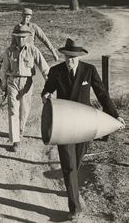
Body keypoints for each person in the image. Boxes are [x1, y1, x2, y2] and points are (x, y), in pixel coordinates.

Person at [41, 38, 125, 221]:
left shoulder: (89, 70)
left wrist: (114, 114)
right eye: (67, 57)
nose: (70, 60)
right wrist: (45, 95)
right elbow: (47, 89)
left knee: (76, 162)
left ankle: (71, 188)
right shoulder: (56, 71)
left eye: (73, 57)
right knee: (69, 167)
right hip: (62, 125)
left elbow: (102, 94)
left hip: (85, 126)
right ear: (63, 55)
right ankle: (74, 208)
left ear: (79, 56)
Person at [1, 30, 49, 152]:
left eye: (23, 38)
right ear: (15, 38)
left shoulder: (33, 50)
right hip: (13, 82)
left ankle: (20, 133)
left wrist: (49, 84)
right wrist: (3, 84)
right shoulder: (9, 51)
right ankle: (15, 140)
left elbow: (44, 68)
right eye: (18, 38)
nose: (21, 40)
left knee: (24, 111)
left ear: (27, 38)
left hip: (27, 82)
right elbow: (4, 69)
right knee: (13, 110)